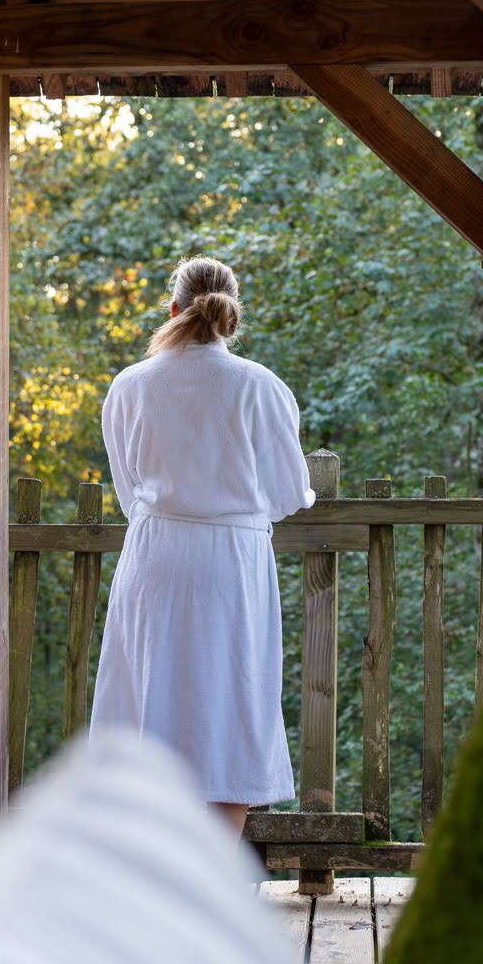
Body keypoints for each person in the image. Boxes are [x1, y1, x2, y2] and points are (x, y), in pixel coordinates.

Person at [89, 256, 315, 839]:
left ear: (173, 308)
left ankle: (152, 885)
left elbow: (127, 488)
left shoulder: (129, 386)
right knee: (229, 709)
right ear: (232, 318)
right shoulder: (258, 386)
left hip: (155, 556)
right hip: (230, 565)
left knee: (149, 708)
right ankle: (212, 885)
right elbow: (290, 493)